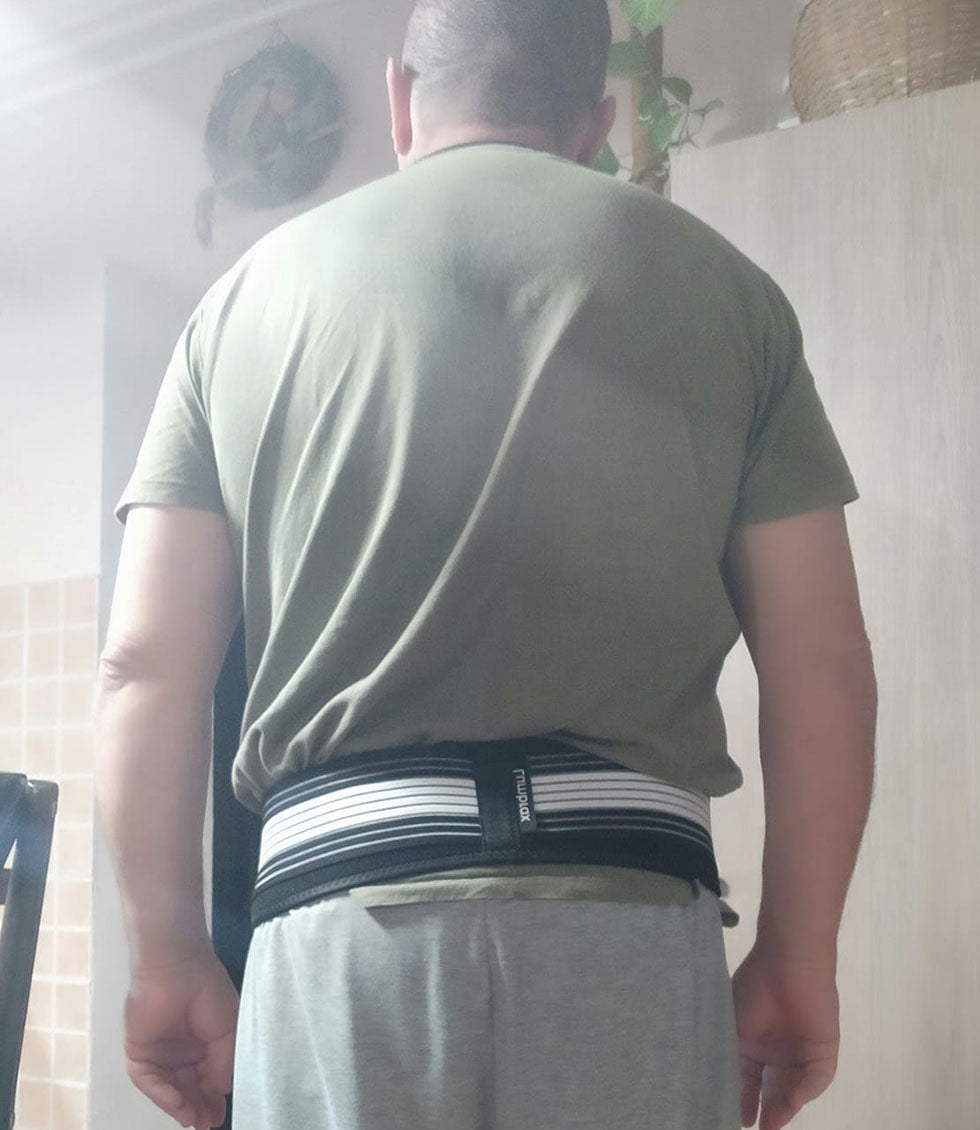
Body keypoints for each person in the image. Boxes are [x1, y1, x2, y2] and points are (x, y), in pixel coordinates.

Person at [94, 1, 877, 1128]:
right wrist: (799, 953)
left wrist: (166, 952)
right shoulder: (729, 293)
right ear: (595, 124)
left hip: (342, 930)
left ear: (399, 98)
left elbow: (143, 667)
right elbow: (823, 665)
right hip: (628, 918)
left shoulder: (242, 303)